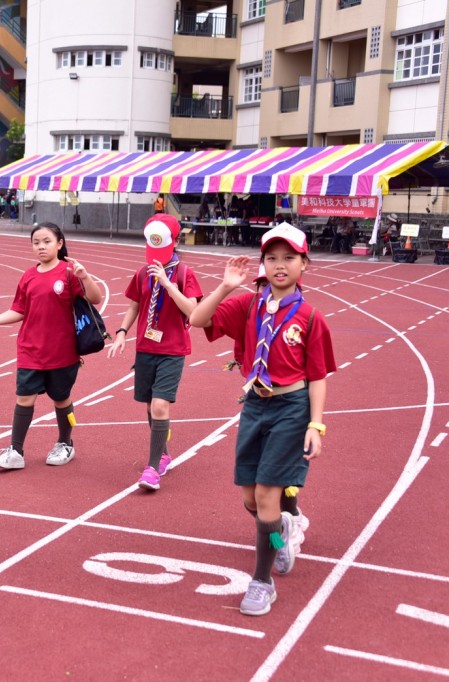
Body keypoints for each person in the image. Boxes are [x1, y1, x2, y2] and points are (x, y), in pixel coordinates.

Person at [189, 223, 335, 617]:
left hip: (291, 408)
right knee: (250, 498)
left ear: (304, 264)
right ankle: (283, 530)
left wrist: (315, 425)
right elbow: (198, 321)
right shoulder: (248, 305)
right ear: (262, 265)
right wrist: (225, 287)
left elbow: (317, 375)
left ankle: (262, 582)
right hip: (255, 404)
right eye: (271, 258)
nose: (280, 265)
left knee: (269, 496)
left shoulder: (309, 317)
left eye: (289, 258)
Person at [0, 222, 103, 470]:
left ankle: (65, 443)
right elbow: (19, 310)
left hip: (63, 352)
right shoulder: (28, 276)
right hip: (30, 349)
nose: (41, 247)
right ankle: (16, 451)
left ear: (59, 244)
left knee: (61, 399)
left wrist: (84, 276)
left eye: (46, 241)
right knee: (24, 398)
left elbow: (96, 298)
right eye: (36, 242)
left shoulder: (69, 272)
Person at [107, 215, 203, 490]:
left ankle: (152, 470)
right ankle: (162, 453)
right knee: (151, 406)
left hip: (172, 349)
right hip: (146, 347)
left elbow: (194, 313)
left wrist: (168, 283)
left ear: (175, 242)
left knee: (161, 405)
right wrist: (122, 333)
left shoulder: (185, 274)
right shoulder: (142, 273)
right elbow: (135, 306)